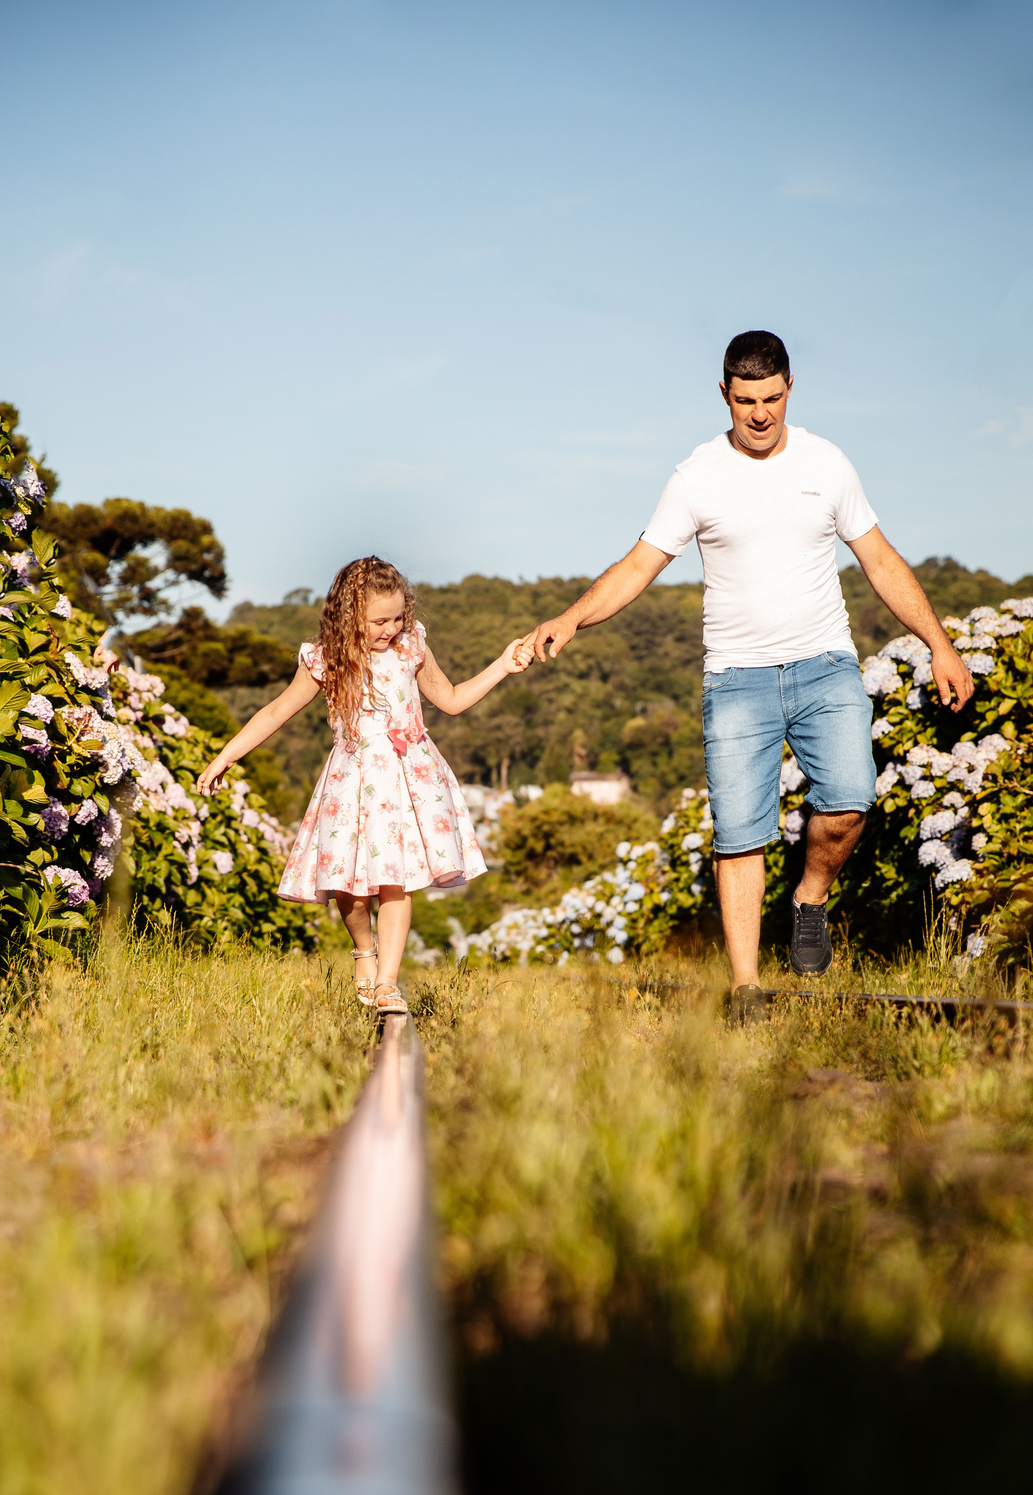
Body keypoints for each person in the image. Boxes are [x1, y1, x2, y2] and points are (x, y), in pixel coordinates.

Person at [526, 329, 975, 1020]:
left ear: (790, 388)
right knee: (739, 833)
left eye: (771, 398)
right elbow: (638, 566)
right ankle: (745, 988)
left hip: (825, 664)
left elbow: (880, 561)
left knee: (851, 800)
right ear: (723, 394)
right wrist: (572, 618)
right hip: (737, 679)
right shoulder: (696, 476)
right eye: (745, 401)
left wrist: (939, 643)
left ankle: (809, 897)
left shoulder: (828, 464)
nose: (760, 414)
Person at [197, 554, 532, 1017]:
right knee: (350, 890)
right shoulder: (326, 658)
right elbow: (276, 711)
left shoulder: (412, 647)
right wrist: (226, 756)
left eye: (398, 616)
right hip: (352, 782)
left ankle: (388, 983)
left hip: (410, 781)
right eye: (379, 620)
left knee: (396, 883)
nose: (390, 628)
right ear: (349, 615)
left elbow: (451, 700)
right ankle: (365, 952)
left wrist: (501, 665)